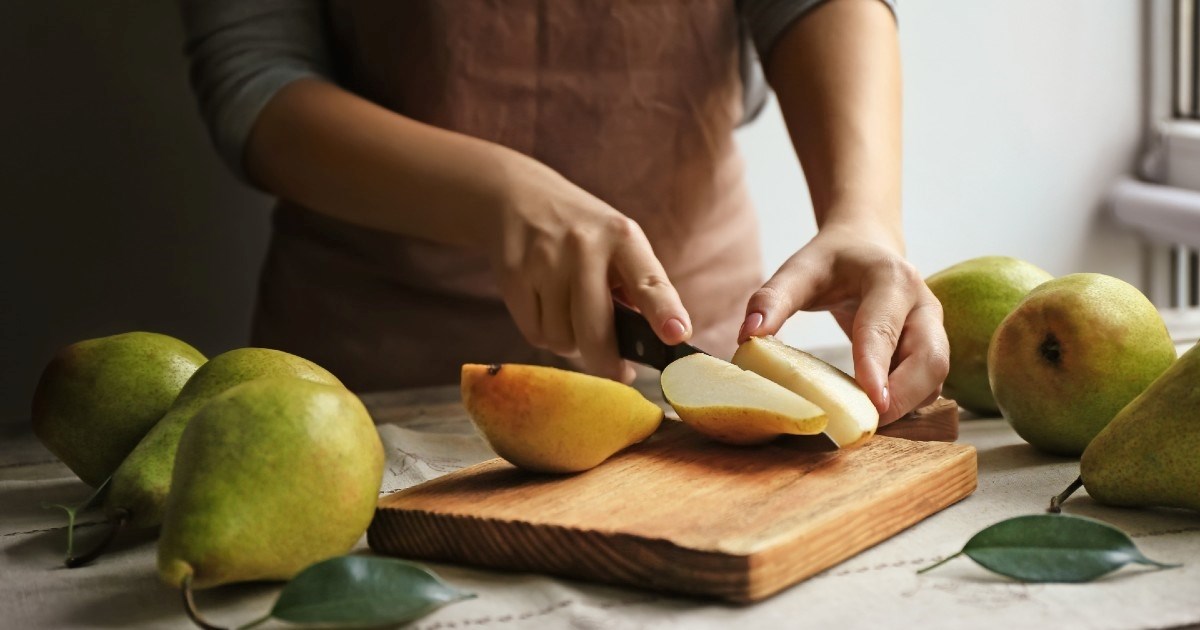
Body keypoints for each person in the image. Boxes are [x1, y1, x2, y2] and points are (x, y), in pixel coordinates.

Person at [180, 0, 948, 426]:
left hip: (693, 324)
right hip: (367, 379)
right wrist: (493, 191)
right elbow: (253, 76)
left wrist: (864, 215)